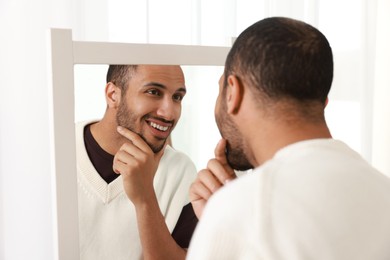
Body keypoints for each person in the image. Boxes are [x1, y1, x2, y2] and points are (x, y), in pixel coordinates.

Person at [187, 17, 390, 259]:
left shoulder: (243, 210)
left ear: (233, 92)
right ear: (322, 102)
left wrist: (224, 218)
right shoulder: (382, 191)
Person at [75, 65, 198, 260]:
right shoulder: (55, 150)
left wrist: (145, 198)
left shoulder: (181, 170)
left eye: (177, 97)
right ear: (112, 95)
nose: (169, 114)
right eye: (153, 92)